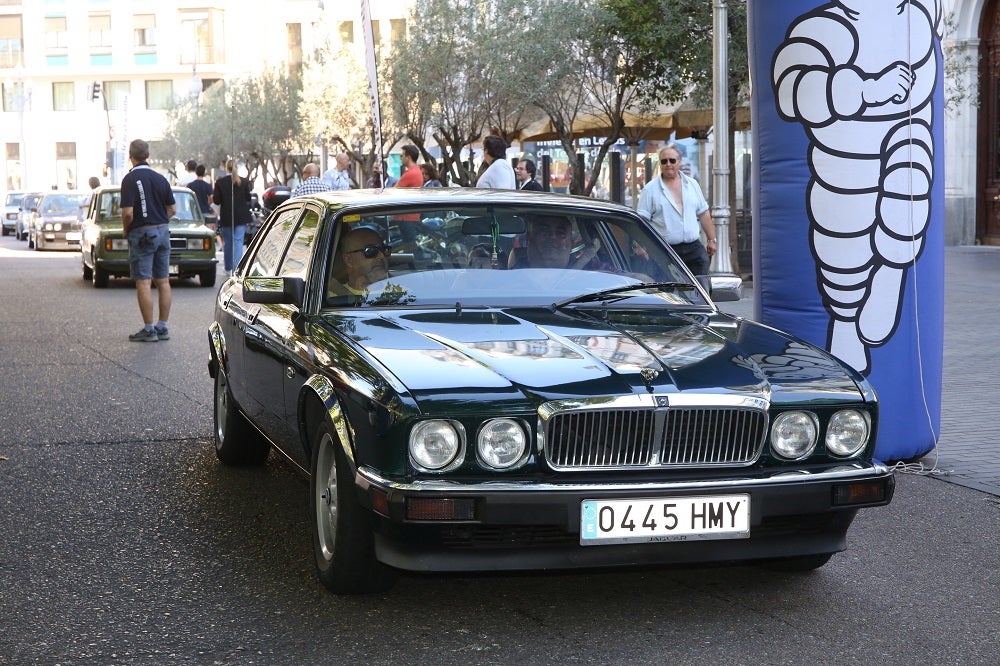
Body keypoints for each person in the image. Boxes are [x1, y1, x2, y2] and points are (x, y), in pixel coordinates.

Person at [120, 139, 175, 343]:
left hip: (142, 234)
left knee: (143, 281)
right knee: (163, 281)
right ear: (148, 155)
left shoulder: (130, 180)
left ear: (131, 156)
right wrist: (159, 222)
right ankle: (163, 327)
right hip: (162, 231)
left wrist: (126, 231)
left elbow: (127, 213)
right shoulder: (160, 178)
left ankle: (149, 329)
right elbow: (172, 209)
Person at [636, 143, 717, 276]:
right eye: (664, 161)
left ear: (679, 162)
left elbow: (703, 213)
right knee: (670, 293)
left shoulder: (692, 184)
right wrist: (640, 245)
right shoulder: (650, 189)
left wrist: (712, 240)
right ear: (660, 163)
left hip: (694, 248)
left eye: (672, 160)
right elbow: (642, 220)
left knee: (701, 289)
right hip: (665, 250)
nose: (668, 164)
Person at [511, 214, 600, 269]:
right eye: (544, 230)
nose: (552, 237)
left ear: (572, 243)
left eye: (560, 232)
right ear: (529, 238)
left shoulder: (593, 273)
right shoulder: (510, 279)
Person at [213, 159, 253, 275]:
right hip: (241, 216)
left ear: (226, 168)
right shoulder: (244, 182)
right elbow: (248, 198)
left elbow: (216, 200)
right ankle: (237, 269)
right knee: (238, 241)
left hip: (226, 216)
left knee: (228, 242)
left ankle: (228, 268)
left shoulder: (220, 182)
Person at [339, 227, 389, 293]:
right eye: (370, 250)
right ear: (349, 260)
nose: (381, 256)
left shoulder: (402, 294)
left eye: (383, 249)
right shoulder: (330, 298)